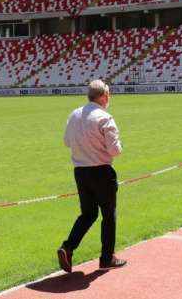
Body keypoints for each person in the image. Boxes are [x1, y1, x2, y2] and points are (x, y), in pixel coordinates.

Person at [57, 80, 126, 272]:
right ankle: (107, 258)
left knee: (88, 214)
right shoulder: (105, 118)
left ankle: (68, 247)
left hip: (80, 171)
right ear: (104, 96)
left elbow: (67, 142)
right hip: (102, 171)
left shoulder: (74, 115)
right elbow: (115, 150)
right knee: (108, 215)